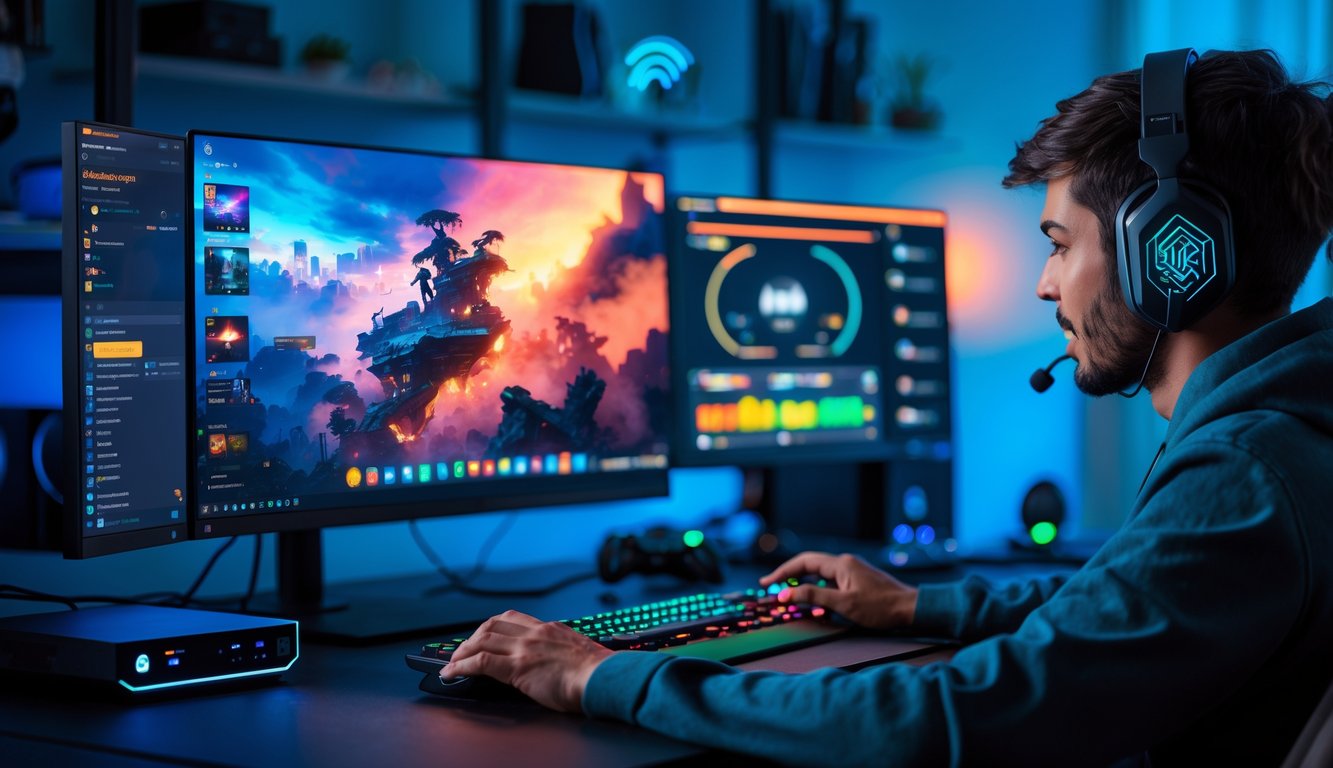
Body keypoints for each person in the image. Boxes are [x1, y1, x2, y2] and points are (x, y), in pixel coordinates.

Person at [442, 50, 1333, 765]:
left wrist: (603, 677)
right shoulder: (1286, 433)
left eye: (1060, 243)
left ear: (1173, 254)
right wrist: (917, 609)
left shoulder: (1243, 471)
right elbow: (1118, 608)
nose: (1043, 284)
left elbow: (950, 721)